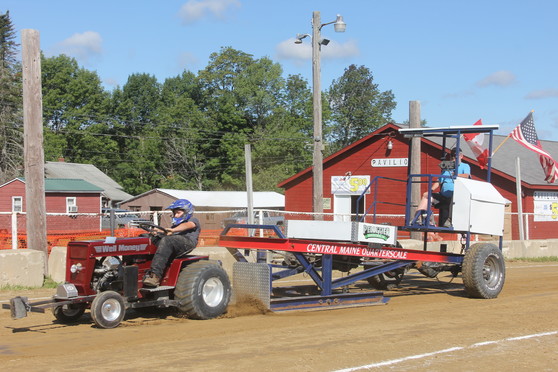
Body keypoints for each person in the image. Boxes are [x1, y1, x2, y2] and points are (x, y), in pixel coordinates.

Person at [143, 199, 201, 287]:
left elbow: (187, 225)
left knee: (168, 240)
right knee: (147, 237)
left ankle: (155, 276)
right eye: (174, 213)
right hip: (174, 241)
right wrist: (157, 232)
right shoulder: (175, 226)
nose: (175, 215)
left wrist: (173, 230)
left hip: (187, 242)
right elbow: (168, 231)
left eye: (178, 213)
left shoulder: (193, 220)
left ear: (186, 212)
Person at [414, 148, 471, 227]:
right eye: (452, 157)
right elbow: (439, 181)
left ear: (461, 156)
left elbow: (467, 176)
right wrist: (430, 190)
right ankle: (418, 218)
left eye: (455, 156)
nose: (453, 159)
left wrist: (456, 174)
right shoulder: (447, 168)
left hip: (456, 196)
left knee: (454, 196)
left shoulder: (465, 166)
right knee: (426, 196)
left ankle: (449, 220)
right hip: (443, 195)